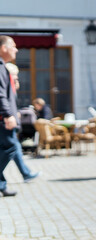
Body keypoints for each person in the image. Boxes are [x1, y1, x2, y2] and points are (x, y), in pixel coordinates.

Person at [5, 63, 41, 183]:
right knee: (13, 147)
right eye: (14, 75)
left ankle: (24, 174)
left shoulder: (10, 85)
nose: (17, 79)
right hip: (7, 122)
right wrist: (10, 116)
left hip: (11, 121)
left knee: (14, 148)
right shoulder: (5, 85)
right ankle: (25, 174)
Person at [0, 35, 20, 197]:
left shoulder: (3, 66)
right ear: (3, 48)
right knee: (11, 147)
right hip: (3, 119)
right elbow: (0, 95)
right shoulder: (0, 66)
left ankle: (2, 185)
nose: (16, 49)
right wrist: (8, 115)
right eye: (13, 46)